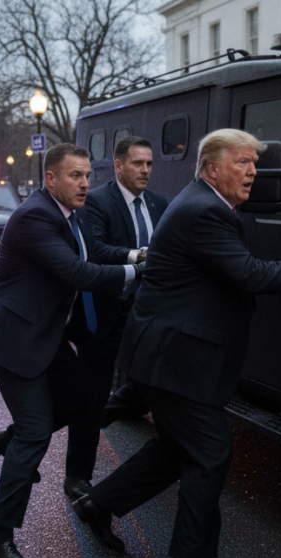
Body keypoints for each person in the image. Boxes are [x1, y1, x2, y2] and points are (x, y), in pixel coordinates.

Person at [72, 129, 281, 558]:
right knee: (210, 450)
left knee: (176, 449)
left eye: (254, 164)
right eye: (243, 163)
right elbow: (246, 272)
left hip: (170, 354)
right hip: (176, 358)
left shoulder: (202, 203)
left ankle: (99, 504)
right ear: (212, 168)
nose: (253, 172)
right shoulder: (204, 211)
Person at [0, 143, 139, 558]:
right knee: (36, 432)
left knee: (82, 401)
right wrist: (138, 275)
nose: (85, 183)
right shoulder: (36, 216)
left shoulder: (70, 215)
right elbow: (78, 273)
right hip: (13, 336)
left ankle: (8, 440)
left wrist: (134, 256)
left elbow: (97, 254)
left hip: (44, 333)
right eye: (75, 176)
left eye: (88, 175)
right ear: (51, 178)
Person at [58, 135, 170, 500]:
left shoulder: (158, 203)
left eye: (150, 164)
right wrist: (139, 256)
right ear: (119, 166)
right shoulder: (97, 201)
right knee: (91, 394)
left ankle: (165, 464)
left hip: (150, 313)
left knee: (157, 386)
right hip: (106, 314)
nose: (145, 170)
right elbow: (97, 250)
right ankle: (77, 474)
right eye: (138, 163)